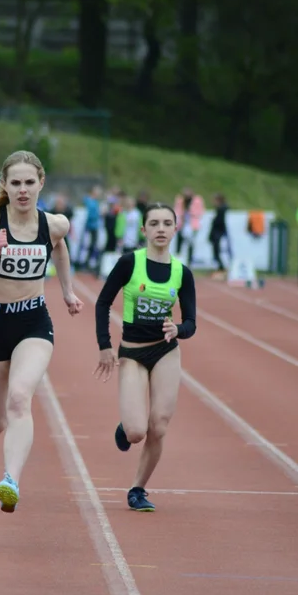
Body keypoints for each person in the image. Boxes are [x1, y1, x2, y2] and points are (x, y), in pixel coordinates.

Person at [0, 150, 83, 513]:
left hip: (33, 321)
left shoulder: (55, 224)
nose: (23, 190)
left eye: (29, 183)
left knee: (20, 397)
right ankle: (8, 465)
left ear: (41, 183)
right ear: (5, 185)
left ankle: (10, 479)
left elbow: (59, 248)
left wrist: (67, 291)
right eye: (16, 183)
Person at [93, 204, 197, 512]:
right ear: (144, 230)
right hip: (133, 354)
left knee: (159, 426)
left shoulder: (182, 273)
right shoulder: (130, 263)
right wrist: (104, 346)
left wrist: (177, 328)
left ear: (176, 229)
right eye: (154, 223)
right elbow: (101, 303)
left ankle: (138, 489)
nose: (161, 228)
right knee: (137, 431)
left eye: (167, 223)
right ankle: (126, 426)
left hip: (165, 351)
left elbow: (191, 322)